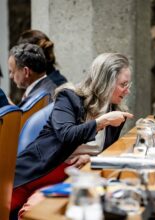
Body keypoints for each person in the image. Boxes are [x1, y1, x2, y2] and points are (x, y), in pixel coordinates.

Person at [10, 53, 134, 213]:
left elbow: (105, 152)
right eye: (123, 85)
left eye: (128, 85)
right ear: (106, 82)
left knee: (36, 212)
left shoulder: (115, 112)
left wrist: (91, 158)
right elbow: (66, 134)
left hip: (66, 179)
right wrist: (102, 121)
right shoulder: (69, 97)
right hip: (34, 174)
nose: (127, 91)